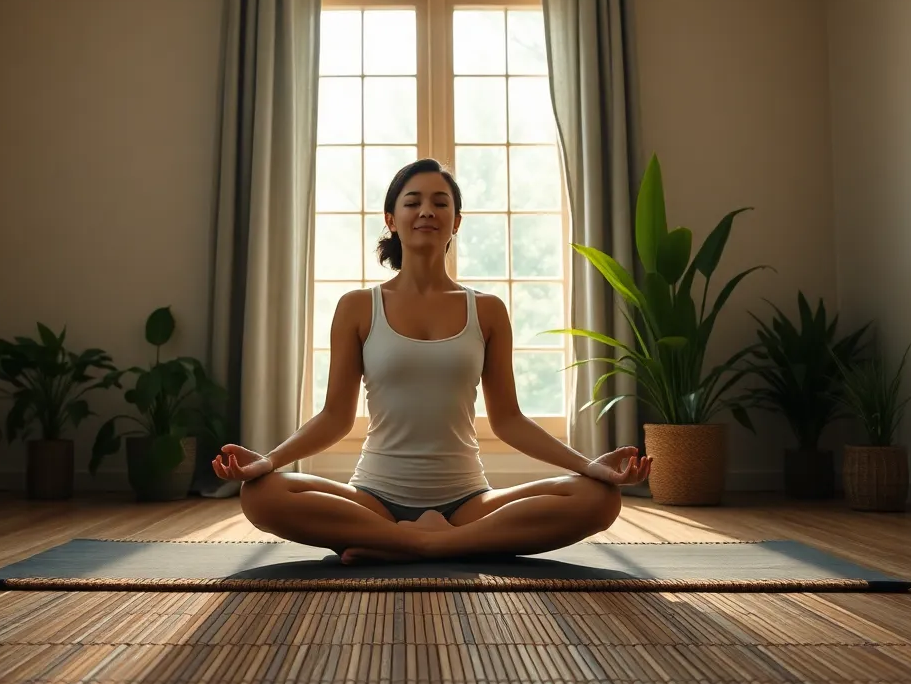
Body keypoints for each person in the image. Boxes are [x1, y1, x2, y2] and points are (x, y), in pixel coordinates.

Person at [212, 158, 652, 564]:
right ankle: (437, 545)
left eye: (440, 202)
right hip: (373, 500)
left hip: (467, 502)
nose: (427, 210)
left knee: (599, 499)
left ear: (455, 222)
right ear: (392, 219)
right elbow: (334, 417)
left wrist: (588, 466)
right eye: (413, 201)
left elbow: (510, 420)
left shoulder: (487, 310)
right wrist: (268, 461)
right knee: (260, 495)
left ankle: (414, 544)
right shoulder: (357, 307)